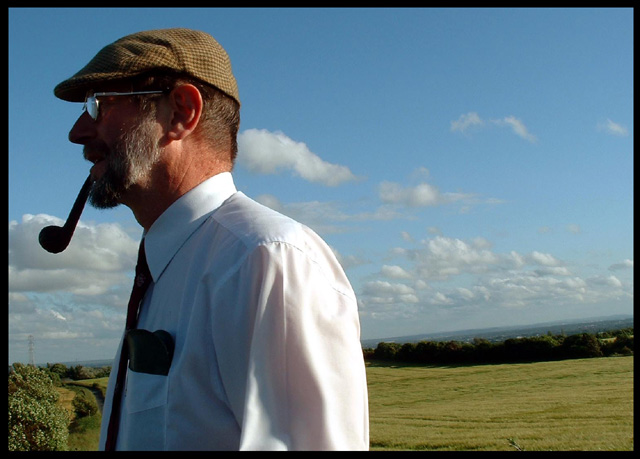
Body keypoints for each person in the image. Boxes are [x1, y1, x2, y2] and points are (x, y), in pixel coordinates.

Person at [53, 28, 369, 451]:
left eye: (98, 105)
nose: (77, 132)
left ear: (181, 111)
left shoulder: (265, 261)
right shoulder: (171, 263)